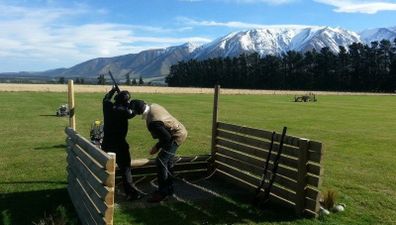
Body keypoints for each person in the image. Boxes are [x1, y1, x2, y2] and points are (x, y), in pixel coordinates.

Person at [130, 100, 187, 203]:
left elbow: (167, 138)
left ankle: (162, 193)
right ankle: (169, 190)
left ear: (138, 111)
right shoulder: (153, 106)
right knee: (167, 162)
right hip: (180, 131)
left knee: (161, 161)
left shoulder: (153, 122)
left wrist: (156, 147)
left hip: (176, 136)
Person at [101, 87, 141, 200]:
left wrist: (112, 91)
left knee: (106, 168)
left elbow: (105, 99)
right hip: (119, 144)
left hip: (106, 143)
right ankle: (131, 193)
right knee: (126, 169)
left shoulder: (107, 106)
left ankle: (103, 190)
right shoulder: (123, 111)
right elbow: (132, 112)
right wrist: (130, 104)